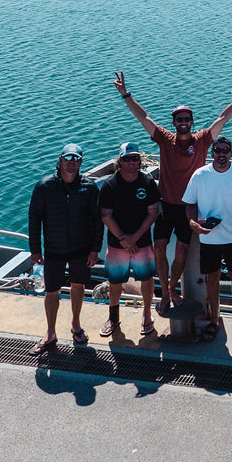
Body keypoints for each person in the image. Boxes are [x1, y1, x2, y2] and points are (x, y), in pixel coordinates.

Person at [113, 72, 232, 315]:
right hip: (166, 204)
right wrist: (126, 94)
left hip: (190, 207)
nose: (183, 122)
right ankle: (167, 293)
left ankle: (170, 288)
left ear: (192, 121)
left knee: (181, 252)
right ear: (174, 122)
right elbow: (143, 117)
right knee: (159, 247)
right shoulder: (165, 140)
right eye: (179, 119)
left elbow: (223, 118)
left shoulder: (202, 141)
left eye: (187, 118)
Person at [27, 144, 102, 355]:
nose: (72, 162)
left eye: (76, 158)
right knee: (51, 292)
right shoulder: (44, 186)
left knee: (78, 286)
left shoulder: (89, 187)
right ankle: (50, 333)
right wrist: (35, 249)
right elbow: (34, 218)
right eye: (68, 157)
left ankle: (76, 326)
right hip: (54, 249)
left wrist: (95, 250)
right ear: (60, 160)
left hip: (81, 248)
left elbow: (97, 221)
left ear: (80, 162)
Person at [182, 136, 232, 341]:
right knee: (211, 279)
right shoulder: (199, 174)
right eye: (218, 150)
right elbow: (189, 204)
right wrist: (193, 223)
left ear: (231, 153)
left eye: (226, 150)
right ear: (212, 153)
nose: (221, 154)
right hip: (208, 238)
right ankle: (214, 319)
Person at [98, 142, 160, 337]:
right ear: (120, 161)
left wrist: (134, 238)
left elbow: (152, 213)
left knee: (147, 278)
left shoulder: (147, 183)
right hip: (118, 243)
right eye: (127, 159)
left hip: (141, 241)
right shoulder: (109, 185)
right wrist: (124, 239)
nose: (132, 162)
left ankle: (147, 314)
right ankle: (113, 317)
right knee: (115, 281)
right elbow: (105, 214)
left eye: (135, 158)